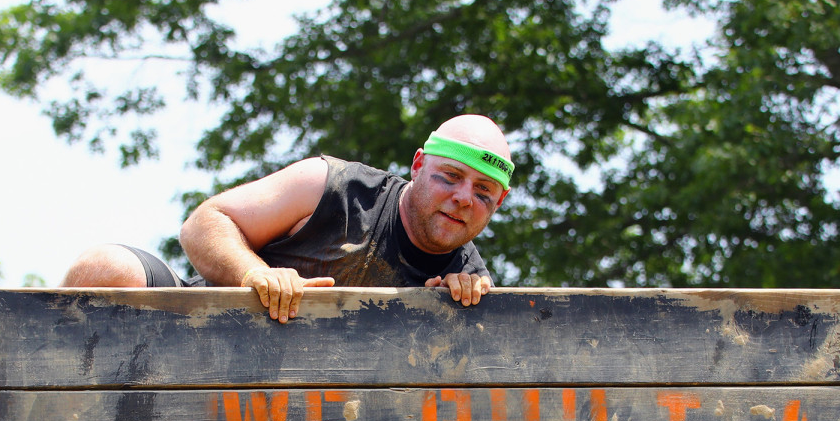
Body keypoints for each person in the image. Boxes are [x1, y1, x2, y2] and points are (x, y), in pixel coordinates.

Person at [60, 114, 514, 321]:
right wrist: (256, 275)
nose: (462, 198)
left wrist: (443, 317)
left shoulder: (469, 285)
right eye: (450, 177)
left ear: (499, 202)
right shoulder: (333, 186)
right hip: (194, 345)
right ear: (418, 165)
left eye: (483, 192)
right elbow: (203, 222)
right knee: (102, 269)